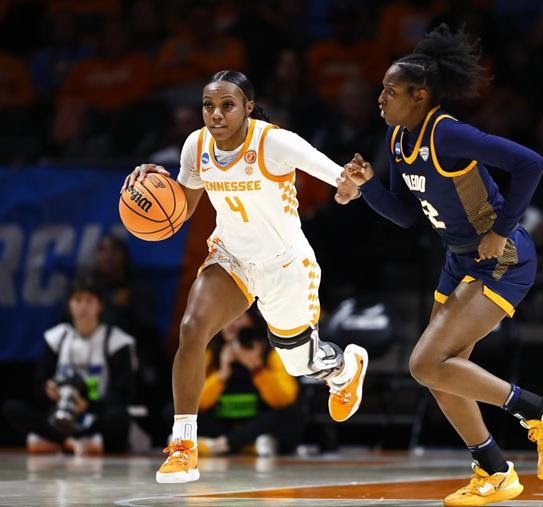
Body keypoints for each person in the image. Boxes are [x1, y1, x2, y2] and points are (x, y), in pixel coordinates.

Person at [340, 25, 543, 507]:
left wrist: (502, 228)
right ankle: (494, 471)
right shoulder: (396, 141)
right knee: (440, 371)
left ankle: (542, 411)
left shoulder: (447, 133)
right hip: (459, 261)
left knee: (424, 362)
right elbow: (406, 215)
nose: (380, 97)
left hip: (502, 260)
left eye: (390, 90)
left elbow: (529, 163)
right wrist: (367, 186)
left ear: (420, 95)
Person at [121, 70, 368, 484]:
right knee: (192, 327)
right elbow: (178, 209)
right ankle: (183, 446)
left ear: (248, 107)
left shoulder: (273, 142)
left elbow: (339, 176)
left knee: (296, 362)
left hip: (286, 266)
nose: (215, 114)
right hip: (232, 257)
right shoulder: (195, 146)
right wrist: (151, 180)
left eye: (227, 105)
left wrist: (349, 184)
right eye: (208, 105)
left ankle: (344, 368)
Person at [2, 276, 134, 455]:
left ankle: (58, 441)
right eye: (78, 300)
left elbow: (123, 391)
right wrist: (48, 391)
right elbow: (40, 384)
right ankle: (68, 442)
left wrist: (87, 405)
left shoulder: (115, 340)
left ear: (100, 305)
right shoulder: (57, 337)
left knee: (119, 417)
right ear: (70, 304)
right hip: (59, 414)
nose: (83, 307)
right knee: (12, 408)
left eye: (89, 301)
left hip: (95, 415)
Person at [194, 309, 303, 456]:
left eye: (237, 318)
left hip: (258, 421)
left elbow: (284, 399)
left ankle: (220, 445)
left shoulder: (271, 352)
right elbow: (196, 402)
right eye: (225, 319)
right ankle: (248, 446)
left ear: (252, 321)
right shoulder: (211, 352)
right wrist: (222, 375)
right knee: (175, 411)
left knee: (290, 413)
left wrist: (257, 368)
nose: (231, 324)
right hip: (224, 423)